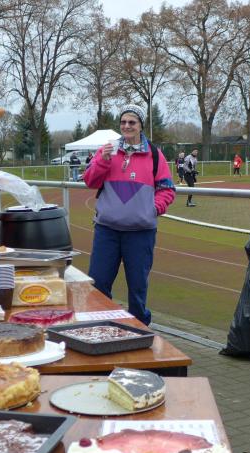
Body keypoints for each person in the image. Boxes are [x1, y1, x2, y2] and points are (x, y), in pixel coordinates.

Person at [83, 104, 175, 325]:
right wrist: (103, 161)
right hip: (107, 231)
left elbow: (167, 189)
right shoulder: (107, 150)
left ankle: (140, 329)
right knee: (98, 283)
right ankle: (101, 326)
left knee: (137, 288)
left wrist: (152, 209)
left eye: (132, 122)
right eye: (123, 122)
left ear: (141, 125)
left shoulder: (155, 155)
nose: (126, 126)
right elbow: (90, 181)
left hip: (140, 233)